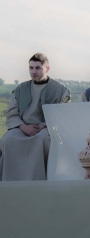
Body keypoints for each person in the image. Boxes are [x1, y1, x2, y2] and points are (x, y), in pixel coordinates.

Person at [0, 53, 70, 181]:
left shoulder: (60, 89)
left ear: (47, 69)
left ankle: (40, 182)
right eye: (31, 68)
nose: (34, 71)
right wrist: (23, 126)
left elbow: (63, 113)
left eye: (38, 68)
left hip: (46, 127)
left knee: (43, 140)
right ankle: (8, 184)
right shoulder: (21, 88)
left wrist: (44, 125)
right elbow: (12, 113)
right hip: (21, 128)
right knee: (8, 140)